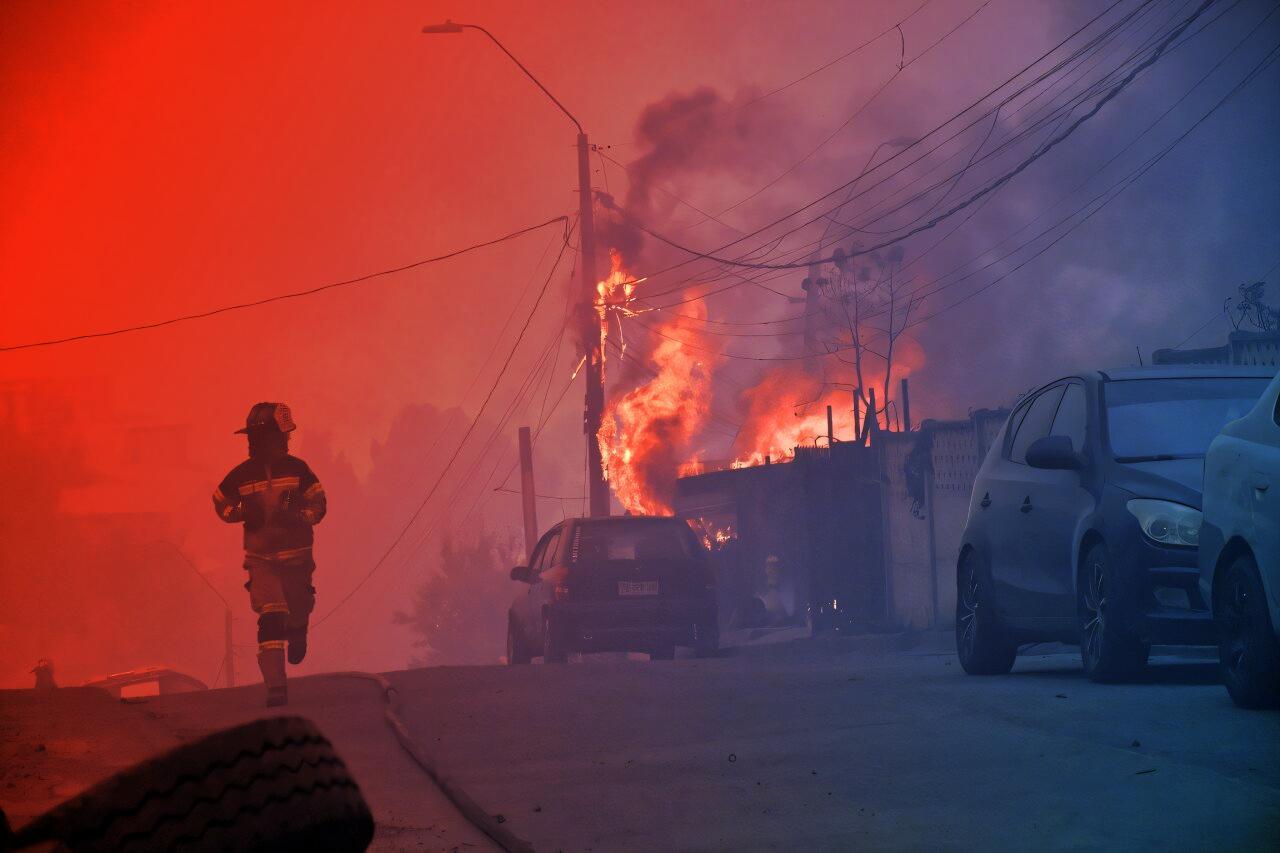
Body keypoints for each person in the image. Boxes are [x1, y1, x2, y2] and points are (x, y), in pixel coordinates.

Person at [212, 403, 326, 707]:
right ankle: (276, 686)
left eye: (269, 438)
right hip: (262, 562)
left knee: (298, 608)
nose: (261, 444)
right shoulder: (241, 475)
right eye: (256, 439)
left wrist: (299, 514)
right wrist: (241, 512)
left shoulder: (298, 470)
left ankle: (298, 630)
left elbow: (319, 504)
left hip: (298, 559)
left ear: (282, 438)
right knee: (271, 617)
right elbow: (220, 502)